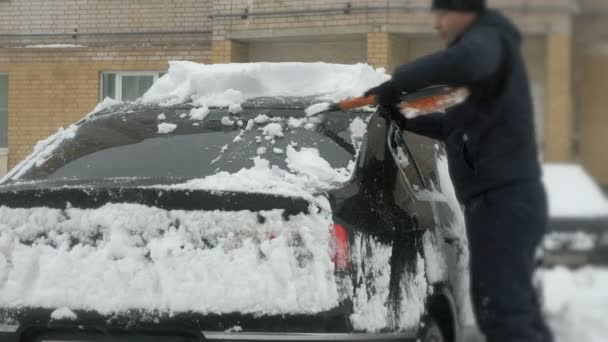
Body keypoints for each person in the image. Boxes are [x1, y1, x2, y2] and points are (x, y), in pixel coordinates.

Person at [363, 0, 553, 341]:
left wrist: (399, 82)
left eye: (443, 13)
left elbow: (463, 61)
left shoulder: (488, 40)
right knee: (512, 310)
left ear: (468, 11)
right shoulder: (485, 76)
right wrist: (403, 117)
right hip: (502, 201)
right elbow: (453, 126)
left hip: (503, 201)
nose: (436, 23)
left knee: (504, 313)